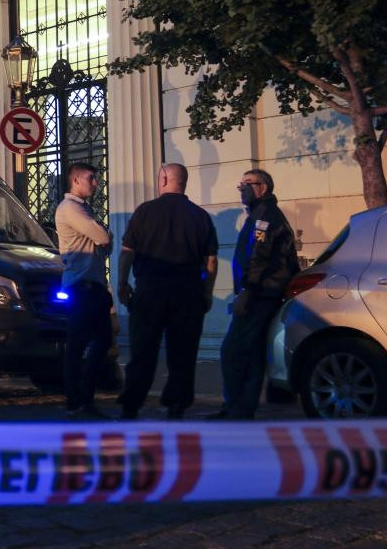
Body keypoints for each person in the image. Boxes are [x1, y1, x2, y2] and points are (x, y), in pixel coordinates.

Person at [115, 163, 218, 420]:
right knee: (183, 353)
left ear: (163, 179)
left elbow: (127, 253)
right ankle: (176, 405)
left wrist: (122, 284)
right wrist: (206, 292)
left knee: (142, 351)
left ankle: (132, 403)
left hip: (150, 290)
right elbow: (211, 262)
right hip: (188, 292)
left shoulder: (145, 212)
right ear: (184, 182)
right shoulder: (200, 216)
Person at [210, 169, 299, 420]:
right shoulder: (259, 213)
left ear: (264, 188)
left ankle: (236, 408)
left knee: (233, 351)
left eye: (249, 184)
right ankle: (241, 409)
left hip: (260, 295)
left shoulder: (264, 216)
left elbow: (258, 258)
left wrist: (246, 293)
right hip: (261, 293)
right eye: (241, 184)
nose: (242, 188)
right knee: (252, 353)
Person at [54, 162, 113, 420]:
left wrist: (103, 236)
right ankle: (77, 401)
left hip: (93, 285)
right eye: (91, 178)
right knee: (80, 345)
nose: (96, 183)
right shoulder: (70, 209)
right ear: (76, 180)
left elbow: (105, 243)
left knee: (98, 342)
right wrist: (103, 235)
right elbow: (104, 238)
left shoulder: (84, 209)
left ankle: (83, 399)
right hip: (82, 287)